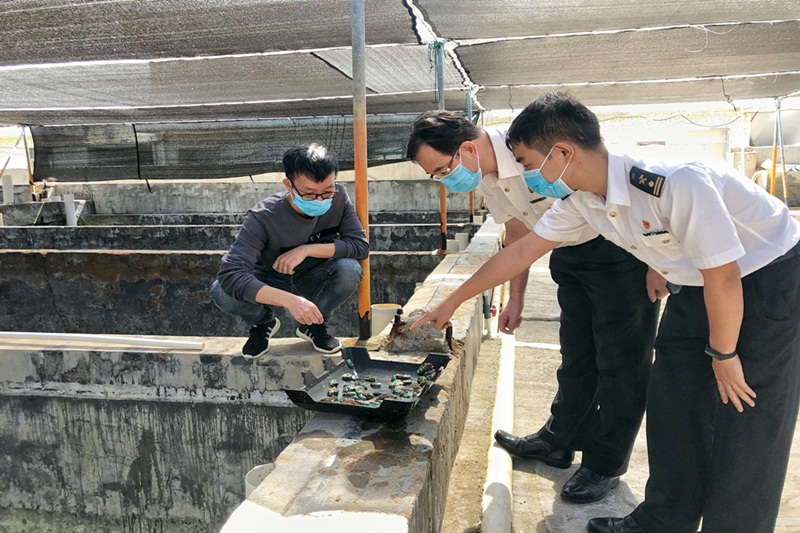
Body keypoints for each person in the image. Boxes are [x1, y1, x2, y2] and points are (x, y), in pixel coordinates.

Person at [411, 92, 800, 533]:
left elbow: (725, 278)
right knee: (672, 401)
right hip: (697, 283)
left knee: (747, 418)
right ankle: (663, 520)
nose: (523, 173)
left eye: (525, 161)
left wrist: (724, 355)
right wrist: (453, 299)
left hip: (765, 277)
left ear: (562, 153)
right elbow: (522, 249)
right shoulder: (580, 199)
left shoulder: (672, 181)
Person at [406, 110, 659, 504]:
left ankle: (604, 464)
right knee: (577, 355)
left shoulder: (533, 147)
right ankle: (559, 441)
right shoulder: (488, 177)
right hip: (566, 251)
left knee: (621, 363)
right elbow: (518, 236)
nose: (444, 181)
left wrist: (655, 262)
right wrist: (516, 297)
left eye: (441, 170)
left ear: (468, 148)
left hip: (618, 250)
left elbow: (627, 195)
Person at [211, 143, 368, 357]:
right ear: (288, 185)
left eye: (327, 192)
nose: (320, 200)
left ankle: (314, 325)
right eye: (309, 194)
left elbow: (360, 246)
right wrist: (289, 300)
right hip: (269, 280)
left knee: (349, 269)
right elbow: (231, 274)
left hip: (314, 276)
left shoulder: (339, 198)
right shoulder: (262, 217)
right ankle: (261, 322)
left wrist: (306, 249)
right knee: (221, 290)